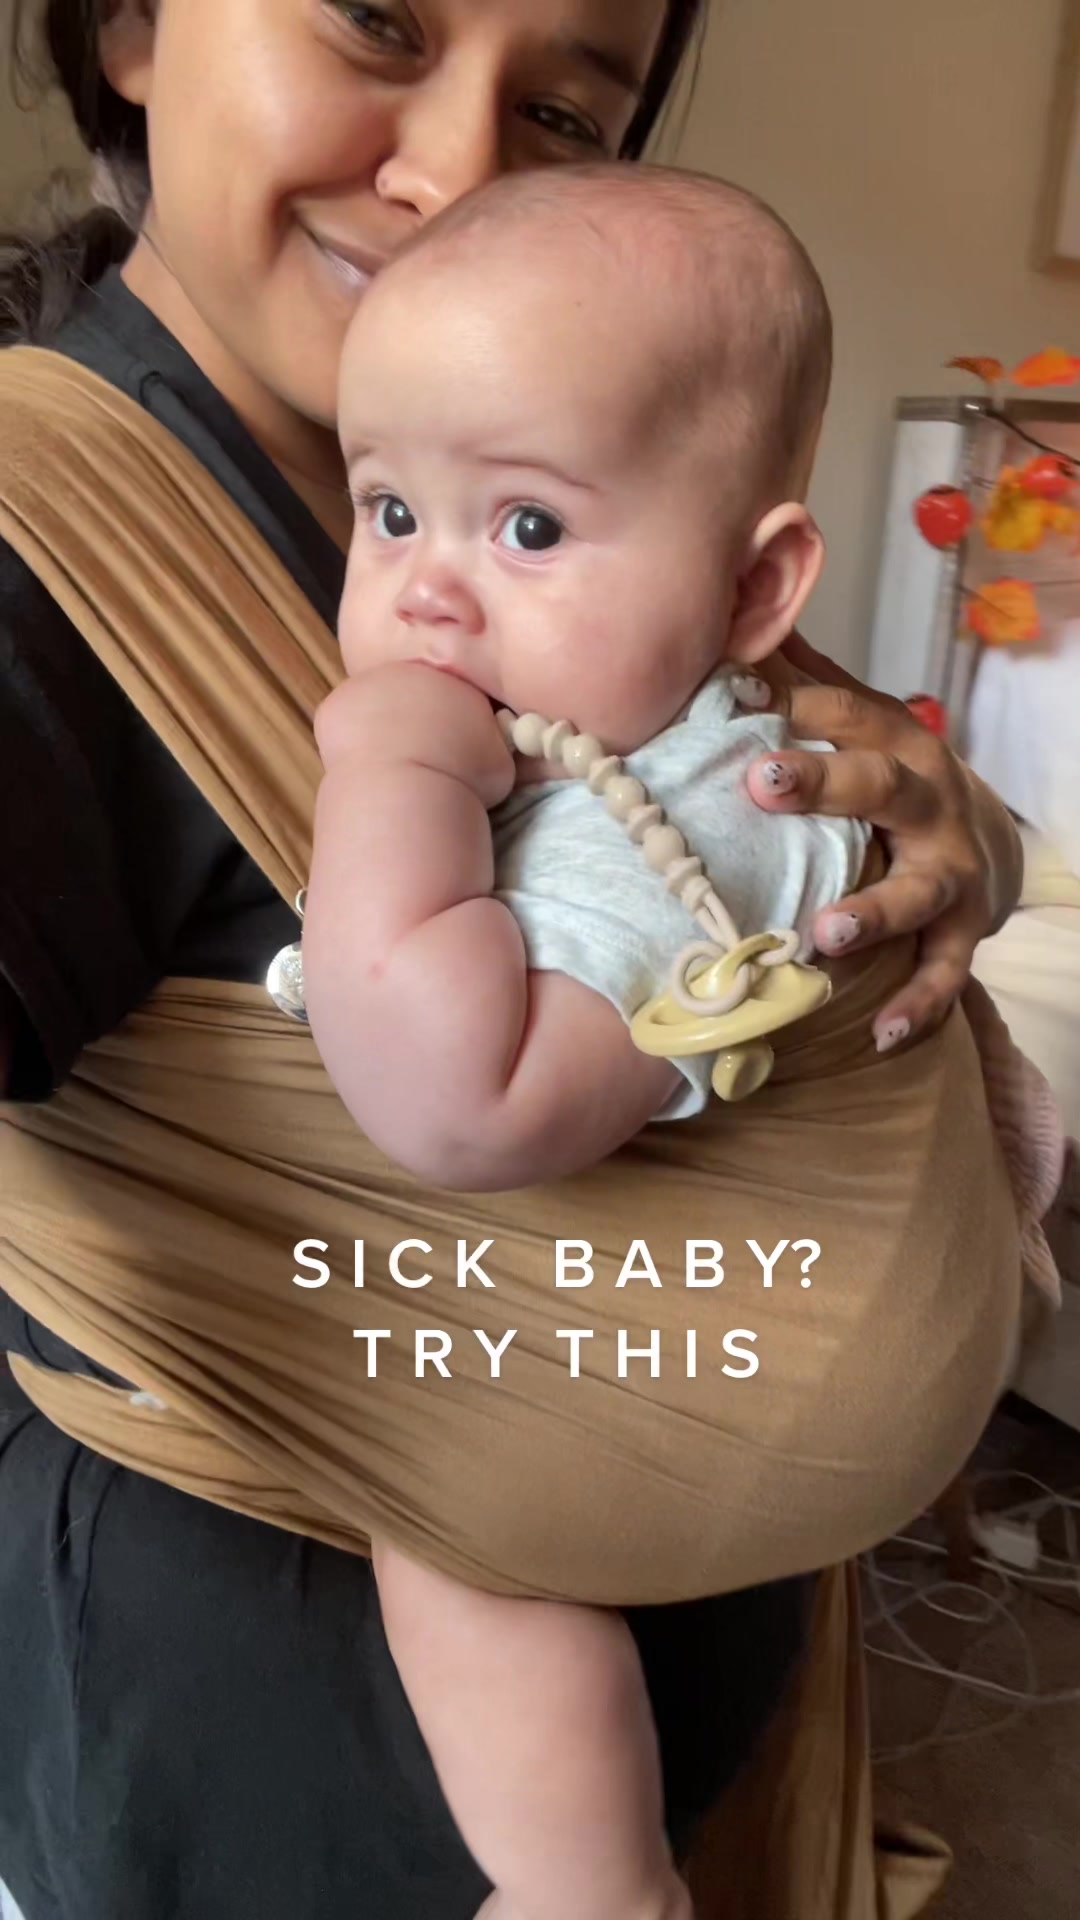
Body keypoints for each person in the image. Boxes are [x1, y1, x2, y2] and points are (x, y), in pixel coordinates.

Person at [0, 4, 1023, 1918]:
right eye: (377, 18)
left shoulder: (579, 459)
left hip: (664, 1678)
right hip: (282, 1782)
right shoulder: (45, 534)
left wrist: (958, 835)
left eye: (562, 106)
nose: (459, 166)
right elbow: (465, 1093)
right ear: (129, 25)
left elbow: (837, 809)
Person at [297, 162, 1024, 1920]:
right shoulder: (618, 743)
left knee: (458, 1541)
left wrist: (388, 778)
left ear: (757, 587)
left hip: (676, 1373)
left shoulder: (676, 822)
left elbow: (463, 1103)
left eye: (529, 530)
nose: (429, 593)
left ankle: (595, 1889)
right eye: (388, 511)